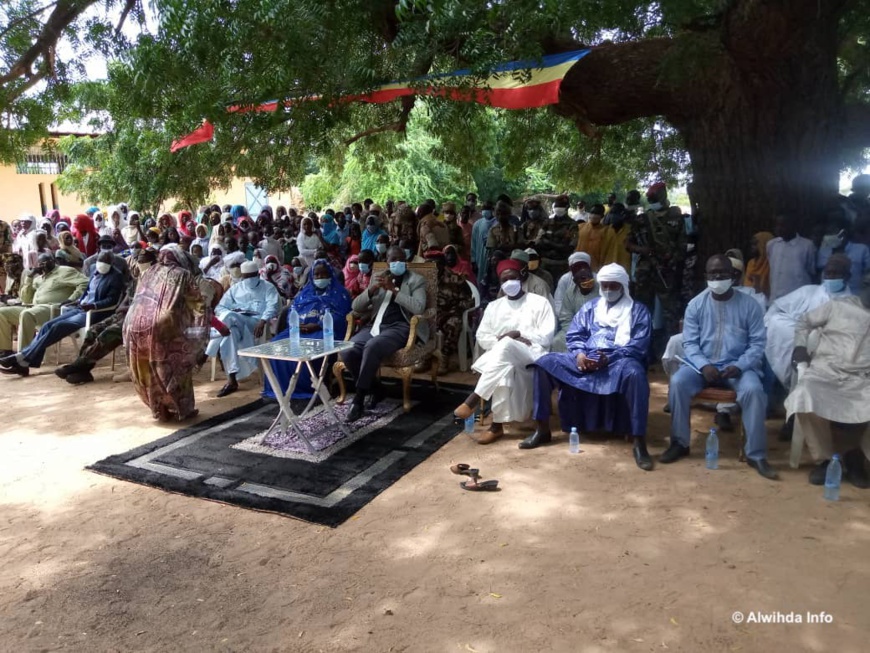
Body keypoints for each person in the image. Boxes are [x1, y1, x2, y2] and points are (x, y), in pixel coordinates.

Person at [522, 263, 653, 468]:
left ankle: (639, 441)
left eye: (613, 286)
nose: (608, 290)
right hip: (585, 359)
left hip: (618, 362)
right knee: (544, 364)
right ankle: (542, 428)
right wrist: (580, 355)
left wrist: (608, 359)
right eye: (605, 286)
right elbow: (575, 335)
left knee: (636, 375)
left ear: (623, 286)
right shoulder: (590, 308)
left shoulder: (638, 311)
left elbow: (638, 346)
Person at [665, 255, 777, 479]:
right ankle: (680, 443)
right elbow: (689, 342)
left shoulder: (750, 306)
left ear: (733, 276)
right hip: (702, 367)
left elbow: (757, 343)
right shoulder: (696, 304)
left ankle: (755, 454)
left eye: (722, 273)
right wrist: (704, 365)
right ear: (706, 276)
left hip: (737, 368)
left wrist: (740, 365)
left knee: (753, 391)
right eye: (712, 273)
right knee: (678, 383)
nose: (717, 277)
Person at [453, 258, 555, 445]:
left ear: (521, 277)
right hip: (502, 358)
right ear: (500, 283)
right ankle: (496, 426)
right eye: (504, 280)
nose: (509, 283)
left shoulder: (539, 303)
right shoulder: (494, 307)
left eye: (513, 278)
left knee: (506, 346)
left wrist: (520, 334)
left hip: (532, 355)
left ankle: (476, 403)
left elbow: (547, 336)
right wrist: (501, 340)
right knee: (505, 363)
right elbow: (483, 336)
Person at [788, 272, 870, 487]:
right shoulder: (838, 306)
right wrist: (799, 346)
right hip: (825, 372)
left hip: (863, 379)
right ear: (864, 285)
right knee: (803, 395)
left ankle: (856, 457)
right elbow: (803, 322)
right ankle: (824, 460)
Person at [1, 251, 125, 376]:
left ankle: (22, 358)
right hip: (79, 308)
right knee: (47, 326)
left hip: (94, 312)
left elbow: (112, 300)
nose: (102, 265)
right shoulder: (94, 270)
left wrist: (93, 305)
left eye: (106, 262)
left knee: (57, 327)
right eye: (100, 261)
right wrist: (76, 301)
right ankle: (24, 361)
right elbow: (87, 291)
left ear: (112, 263)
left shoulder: (116, 276)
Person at [341, 246, 428, 422]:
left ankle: (358, 399)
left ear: (406, 261)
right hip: (375, 326)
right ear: (387, 261)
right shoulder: (377, 277)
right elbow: (356, 307)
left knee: (372, 347)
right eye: (393, 260)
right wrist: (372, 289)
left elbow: (419, 307)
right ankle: (377, 388)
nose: (397, 263)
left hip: (400, 327)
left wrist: (394, 291)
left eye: (401, 259)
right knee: (347, 350)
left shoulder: (415, 280)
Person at [123, 247, 208, 419]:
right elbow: (198, 305)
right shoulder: (183, 274)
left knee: (148, 368)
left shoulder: (148, 273)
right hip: (163, 326)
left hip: (133, 324)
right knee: (175, 367)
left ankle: (158, 408)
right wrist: (199, 332)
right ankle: (182, 409)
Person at [57, 249, 159, 385]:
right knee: (92, 331)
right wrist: (122, 309)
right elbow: (126, 299)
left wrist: (130, 309)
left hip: (140, 319)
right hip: (124, 315)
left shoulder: (157, 281)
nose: (140, 263)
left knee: (107, 334)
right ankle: (83, 371)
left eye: (143, 261)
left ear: (153, 262)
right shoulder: (137, 279)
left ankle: (77, 366)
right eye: (138, 260)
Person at [264, 259, 352, 400]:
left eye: (324, 274)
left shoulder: (340, 293)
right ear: (312, 276)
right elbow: (292, 312)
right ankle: (279, 388)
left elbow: (341, 316)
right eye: (317, 275)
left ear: (330, 275)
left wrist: (317, 325)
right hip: (301, 329)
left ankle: (308, 389)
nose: (320, 278)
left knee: (309, 350)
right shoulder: (305, 293)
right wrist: (298, 324)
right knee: (276, 345)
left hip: (325, 330)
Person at [765, 253, 852, 389]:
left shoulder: (852, 305)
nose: (830, 277)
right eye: (828, 273)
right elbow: (776, 310)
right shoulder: (808, 291)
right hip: (798, 352)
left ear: (847, 276)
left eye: (836, 274)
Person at [205, 260, 282, 397]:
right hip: (236, 322)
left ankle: (210, 344)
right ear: (242, 276)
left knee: (229, 318)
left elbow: (273, 306)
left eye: (252, 276)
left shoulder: (268, 287)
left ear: (258, 274)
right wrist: (236, 310)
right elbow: (220, 308)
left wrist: (263, 320)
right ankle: (232, 380)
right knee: (230, 333)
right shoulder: (236, 288)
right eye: (246, 277)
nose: (249, 279)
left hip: (256, 323)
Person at [0, 253, 88, 356]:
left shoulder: (65, 271)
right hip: (33, 308)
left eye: (46, 262)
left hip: (53, 309)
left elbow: (85, 283)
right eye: (41, 264)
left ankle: (23, 356)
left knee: (27, 314)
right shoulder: (38, 278)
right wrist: (30, 277)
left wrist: (71, 299)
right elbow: (25, 298)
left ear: (53, 261)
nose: (43, 266)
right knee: (2, 313)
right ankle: (5, 351)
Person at [423, 248, 475, 374]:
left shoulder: (456, 280)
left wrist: (450, 312)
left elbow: (469, 301)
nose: (431, 268)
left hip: (452, 313)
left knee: (454, 323)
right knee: (416, 321)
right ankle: (425, 356)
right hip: (433, 313)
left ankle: (444, 357)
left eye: (434, 264)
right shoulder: (424, 281)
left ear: (442, 265)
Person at [552, 259, 599, 352]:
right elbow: (566, 319)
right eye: (582, 278)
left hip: (598, 330)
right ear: (575, 280)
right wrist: (577, 333)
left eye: (589, 277)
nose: (587, 280)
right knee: (557, 341)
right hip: (576, 330)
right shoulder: (570, 293)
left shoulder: (602, 289)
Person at [767, 214, 817, 301]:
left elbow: (811, 270)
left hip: (798, 298)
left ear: (793, 225)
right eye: (777, 225)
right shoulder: (772, 244)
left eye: (783, 225)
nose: (779, 228)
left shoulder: (807, 245)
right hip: (776, 298)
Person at [816, 215, 870, 294]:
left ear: (843, 233)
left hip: (854, 297)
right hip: (827, 297)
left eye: (832, 232)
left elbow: (868, 273)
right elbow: (820, 272)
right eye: (828, 233)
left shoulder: (861, 250)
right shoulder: (824, 250)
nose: (829, 236)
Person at [536, 195, 579, 282]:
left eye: (561, 206)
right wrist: (558, 246)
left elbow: (570, 247)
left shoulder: (572, 225)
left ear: (567, 207)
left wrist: (549, 243)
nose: (558, 208)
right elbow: (538, 242)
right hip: (545, 263)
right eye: (556, 206)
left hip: (562, 264)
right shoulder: (547, 222)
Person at [600, 204, 633, 271]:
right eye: (612, 213)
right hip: (607, 269)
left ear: (623, 214)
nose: (613, 216)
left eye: (616, 213)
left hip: (624, 270)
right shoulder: (605, 231)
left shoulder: (630, 230)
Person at [470, 201, 496, 284]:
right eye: (483, 209)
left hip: (493, 258)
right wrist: (473, 260)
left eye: (487, 209)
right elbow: (473, 243)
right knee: (480, 282)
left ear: (492, 209)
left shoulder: (497, 223)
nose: (485, 211)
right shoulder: (477, 224)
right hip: (479, 258)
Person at [575, 204, 608, 270]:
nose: (593, 215)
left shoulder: (606, 231)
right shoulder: (580, 227)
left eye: (597, 213)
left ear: (602, 216)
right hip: (578, 263)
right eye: (592, 213)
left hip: (595, 267)